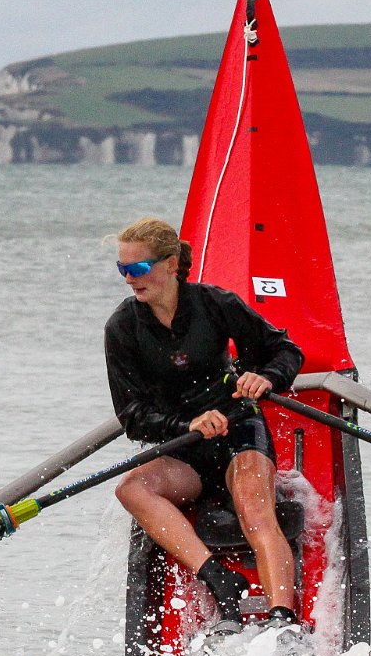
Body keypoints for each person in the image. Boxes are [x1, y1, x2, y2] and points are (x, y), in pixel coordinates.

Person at [104, 216, 305, 630]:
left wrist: (264, 377)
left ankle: (283, 619)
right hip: (186, 448)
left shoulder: (216, 303)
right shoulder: (122, 328)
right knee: (131, 489)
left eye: (138, 269)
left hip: (239, 430)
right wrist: (187, 424)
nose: (129, 280)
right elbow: (133, 416)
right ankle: (217, 576)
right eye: (122, 269)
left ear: (171, 263)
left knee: (254, 509)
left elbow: (284, 350)